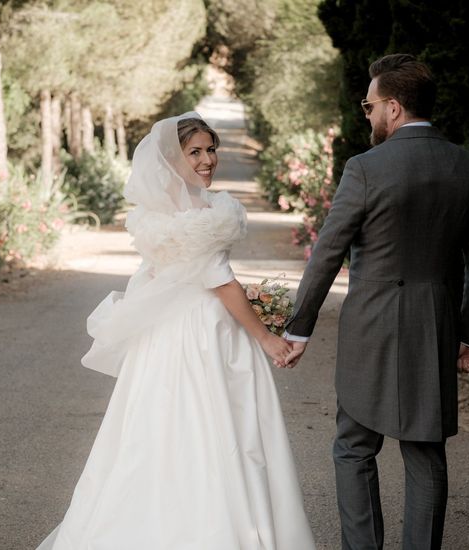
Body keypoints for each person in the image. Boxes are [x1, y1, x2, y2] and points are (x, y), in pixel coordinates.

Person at [37, 113, 316, 550]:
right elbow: (222, 282)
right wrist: (265, 336)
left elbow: (154, 278)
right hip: (203, 339)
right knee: (217, 434)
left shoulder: (155, 215)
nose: (208, 160)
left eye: (211, 149)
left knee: (155, 436)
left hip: (162, 340)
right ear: (173, 159)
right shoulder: (201, 215)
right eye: (196, 152)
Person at [282, 54, 469, 550]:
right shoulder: (468, 167)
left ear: (394, 108)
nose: (368, 114)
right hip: (434, 326)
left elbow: (328, 253)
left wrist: (298, 328)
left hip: (371, 329)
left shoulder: (365, 168)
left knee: (354, 448)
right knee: (425, 452)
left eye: (370, 105)